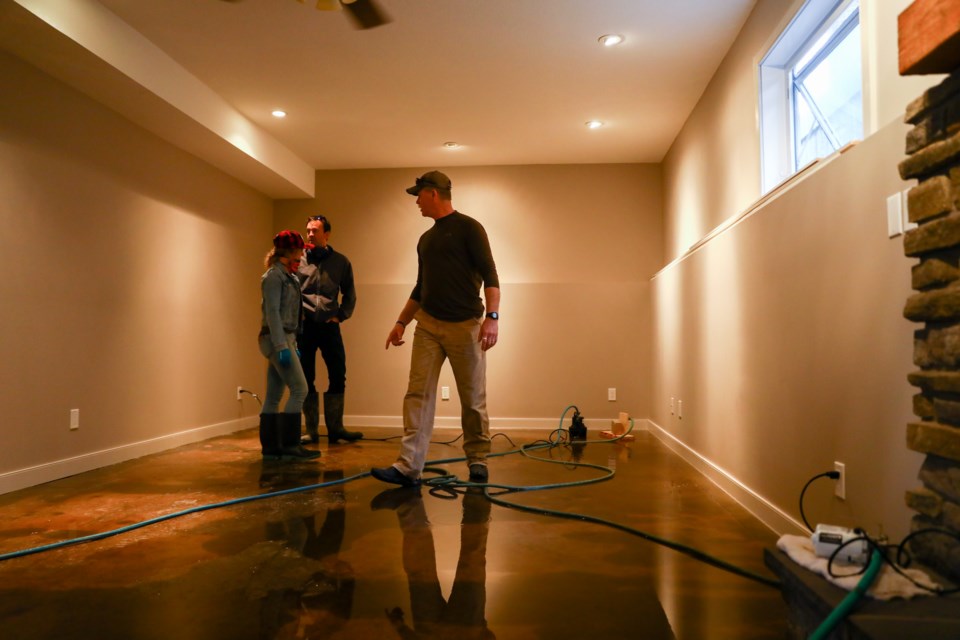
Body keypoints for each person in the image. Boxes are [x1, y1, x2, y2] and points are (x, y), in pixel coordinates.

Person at [373, 170, 500, 487]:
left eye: (418, 195)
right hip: (427, 325)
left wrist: (492, 318)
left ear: (433, 193)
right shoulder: (425, 240)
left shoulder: (470, 228)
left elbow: (491, 276)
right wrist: (401, 322)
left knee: (472, 397)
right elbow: (420, 287)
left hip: (465, 325)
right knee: (418, 394)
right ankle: (408, 466)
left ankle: (478, 458)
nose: (416, 201)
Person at [297, 214, 363, 445]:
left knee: (338, 374)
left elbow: (350, 294)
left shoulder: (341, 262)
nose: (311, 235)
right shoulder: (299, 261)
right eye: (308, 230)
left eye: (315, 230)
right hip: (304, 327)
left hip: (329, 327)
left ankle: (336, 429)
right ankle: (311, 431)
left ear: (327, 234)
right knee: (306, 377)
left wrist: (340, 316)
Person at [258, 230, 320, 461]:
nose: (302, 254)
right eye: (300, 251)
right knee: (300, 389)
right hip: (276, 339)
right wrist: (282, 345)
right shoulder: (273, 277)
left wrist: (292, 341)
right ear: (290, 251)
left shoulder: (289, 276)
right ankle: (291, 446)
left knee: (274, 395)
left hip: (286, 338)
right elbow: (272, 312)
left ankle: (272, 449)